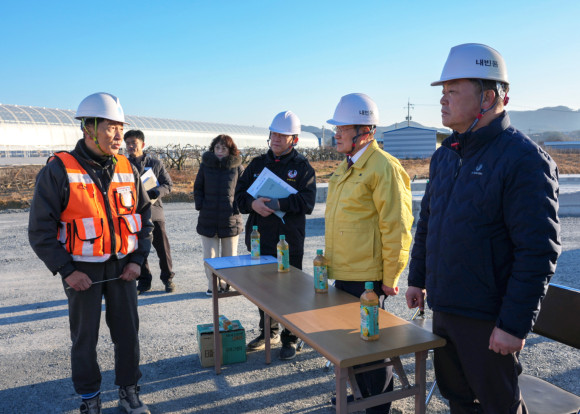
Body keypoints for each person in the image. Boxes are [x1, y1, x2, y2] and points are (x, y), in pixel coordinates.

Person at [406, 43, 561, 414]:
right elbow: (428, 222)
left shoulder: (524, 159)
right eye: (442, 91)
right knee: (458, 401)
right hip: (446, 308)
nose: (442, 99)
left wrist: (513, 325)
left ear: (488, 97)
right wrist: (417, 278)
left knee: (498, 407)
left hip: (488, 320)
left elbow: (537, 251)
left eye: (453, 91)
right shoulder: (445, 156)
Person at [28, 92, 153, 414]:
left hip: (124, 267)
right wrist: (68, 271)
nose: (118, 135)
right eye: (110, 127)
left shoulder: (127, 167)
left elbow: (144, 219)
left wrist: (138, 261)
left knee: (128, 334)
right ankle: (90, 398)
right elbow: (40, 231)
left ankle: (129, 391)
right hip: (81, 271)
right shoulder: (59, 169)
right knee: (85, 339)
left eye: (120, 127)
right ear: (88, 128)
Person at [324, 93, 413, 413]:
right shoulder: (347, 166)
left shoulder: (383, 167)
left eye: (342, 128)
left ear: (365, 131)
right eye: (336, 128)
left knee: (372, 350)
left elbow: (397, 226)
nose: (336, 134)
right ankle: (362, 396)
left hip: (368, 279)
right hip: (345, 272)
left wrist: (391, 276)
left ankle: (378, 408)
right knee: (352, 345)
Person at [235, 110, 316, 360]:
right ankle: (268, 332)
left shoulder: (302, 167)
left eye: (283, 135)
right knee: (262, 290)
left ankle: (291, 337)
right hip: (260, 239)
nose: (277, 139)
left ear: (294, 139)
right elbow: (239, 197)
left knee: (290, 290)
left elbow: (307, 202)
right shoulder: (257, 164)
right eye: (274, 134)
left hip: (289, 240)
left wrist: (279, 204)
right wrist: (253, 204)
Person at [124, 129, 176, 294]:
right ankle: (144, 281)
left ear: (143, 144)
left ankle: (168, 279)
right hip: (133, 214)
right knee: (139, 248)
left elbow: (168, 185)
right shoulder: (122, 165)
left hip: (154, 212)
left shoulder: (155, 163)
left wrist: (155, 192)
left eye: (134, 143)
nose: (130, 146)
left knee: (162, 248)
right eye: (128, 143)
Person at [194, 134, 244, 296]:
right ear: (213, 149)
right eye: (217, 147)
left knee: (229, 256)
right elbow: (198, 187)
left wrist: (237, 207)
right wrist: (201, 205)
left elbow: (243, 190)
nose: (220, 151)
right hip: (208, 217)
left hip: (230, 218)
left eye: (224, 148)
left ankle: (226, 284)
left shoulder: (237, 167)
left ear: (230, 150)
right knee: (210, 256)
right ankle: (213, 286)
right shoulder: (205, 166)